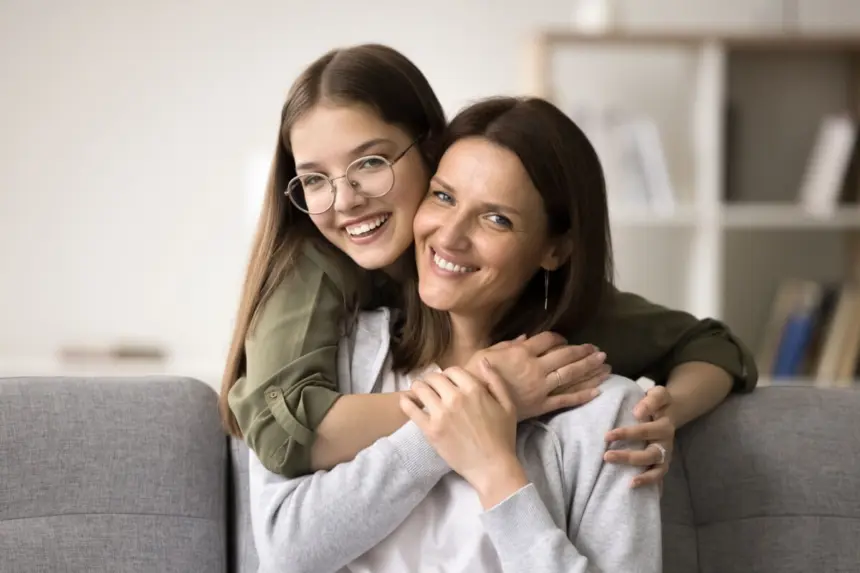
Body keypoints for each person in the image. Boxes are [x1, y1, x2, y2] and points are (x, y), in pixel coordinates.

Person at [220, 43, 758, 486]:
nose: (345, 200)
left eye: (371, 162)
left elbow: (712, 345)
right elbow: (279, 433)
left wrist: (668, 412)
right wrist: (486, 393)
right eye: (315, 178)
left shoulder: (531, 291)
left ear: (431, 150)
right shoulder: (317, 262)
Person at [250, 96, 663, 573]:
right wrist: (452, 421)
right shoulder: (336, 355)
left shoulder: (608, 412)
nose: (448, 236)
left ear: (555, 249)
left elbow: (703, 342)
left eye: (496, 219)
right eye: (443, 197)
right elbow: (284, 554)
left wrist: (496, 473)